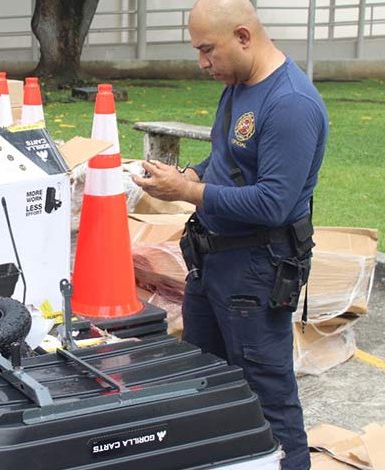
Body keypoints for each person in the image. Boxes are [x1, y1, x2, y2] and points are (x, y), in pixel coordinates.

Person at [132, 0, 328, 468]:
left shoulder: (290, 105)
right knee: (205, 379)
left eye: (207, 50)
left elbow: (271, 203)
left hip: (257, 271)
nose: (202, 63)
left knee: (268, 395)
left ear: (243, 36)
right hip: (212, 261)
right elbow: (226, 164)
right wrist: (183, 174)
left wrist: (186, 190)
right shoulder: (238, 85)